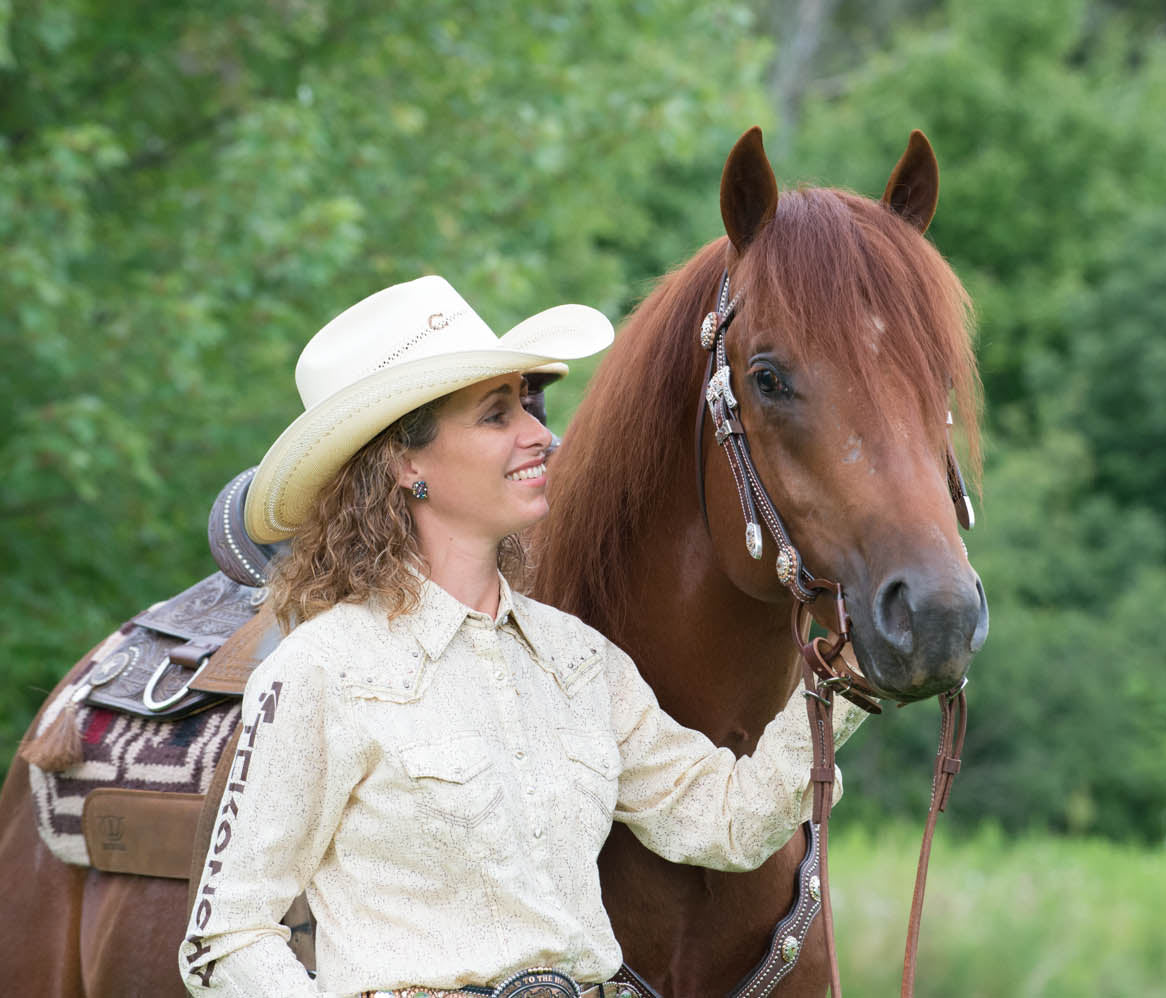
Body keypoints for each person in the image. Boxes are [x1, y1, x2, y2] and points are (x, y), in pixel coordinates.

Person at [178, 276, 865, 998]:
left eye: (530, 408)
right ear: (405, 462)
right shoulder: (322, 671)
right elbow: (225, 940)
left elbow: (728, 822)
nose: (541, 435)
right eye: (496, 415)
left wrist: (846, 678)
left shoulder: (579, 660)